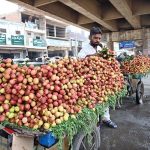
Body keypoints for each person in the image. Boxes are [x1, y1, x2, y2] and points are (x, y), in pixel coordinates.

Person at [78, 27, 117, 128]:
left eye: (99, 38)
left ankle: (106, 119)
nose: (98, 40)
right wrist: (94, 55)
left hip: (102, 78)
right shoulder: (84, 48)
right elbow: (80, 60)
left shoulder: (101, 48)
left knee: (105, 98)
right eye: (95, 38)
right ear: (90, 37)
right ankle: (93, 122)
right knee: (92, 101)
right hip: (89, 81)